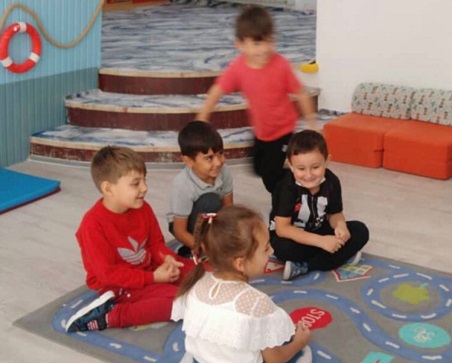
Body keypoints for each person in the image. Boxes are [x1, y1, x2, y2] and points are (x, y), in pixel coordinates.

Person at [167, 205, 313, 363]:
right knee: (304, 352)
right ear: (240, 263)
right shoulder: (257, 304)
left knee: (205, 337)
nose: (272, 251)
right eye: (266, 248)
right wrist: (299, 342)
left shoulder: (196, 285)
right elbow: (273, 359)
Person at [67, 146, 193, 332]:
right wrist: (153, 278)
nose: (145, 188)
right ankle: (111, 316)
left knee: (205, 276)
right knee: (185, 304)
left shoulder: (143, 208)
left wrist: (167, 258)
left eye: (144, 180)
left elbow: (155, 244)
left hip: (149, 271)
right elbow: (108, 275)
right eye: (136, 183)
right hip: (119, 287)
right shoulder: (92, 225)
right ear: (108, 188)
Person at [196, 6, 317, 194]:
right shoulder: (238, 68)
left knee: (271, 178)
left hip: (283, 130)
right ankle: (294, 178)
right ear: (240, 44)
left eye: (269, 41)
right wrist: (202, 118)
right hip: (261, 131)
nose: (265, 49)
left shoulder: (281, 65)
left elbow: (301, 93)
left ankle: (290, 199)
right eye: (257, 43)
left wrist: (312, 124)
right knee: (257, 168)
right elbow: (217, 90)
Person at [270, 130, 369, 281]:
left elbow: (335, 214)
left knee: (360, 231)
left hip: (319, 229)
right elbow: (282, 229)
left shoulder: (332, 181)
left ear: (327, 161)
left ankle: (305, 265)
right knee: (283, 248)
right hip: (291, 236)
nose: (309, 175)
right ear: (291, 165)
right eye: (301, 169)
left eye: (315, 167)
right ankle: (334, 258)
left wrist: (340, 226)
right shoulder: (286, 187)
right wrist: (321, 242)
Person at [167, 121, 233, 258]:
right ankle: (192, 248)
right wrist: (205, 248)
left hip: (210, 217)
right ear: (188, 161)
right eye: (209, 158)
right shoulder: (183, 184)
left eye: (220, 153)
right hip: (184, 225)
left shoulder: (224, 171)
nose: (218, 162)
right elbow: (179, 231)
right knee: (210, 201)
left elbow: (229, 210)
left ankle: (211, 240)